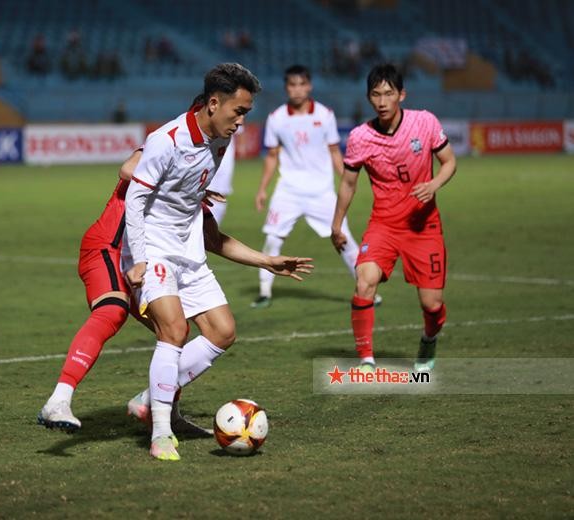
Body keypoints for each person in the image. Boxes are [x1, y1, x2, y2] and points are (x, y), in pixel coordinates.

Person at [38, 149, 311, 432]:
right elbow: (127, 170)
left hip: (148, 260)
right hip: (109, 248)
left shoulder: (194, 185)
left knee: (176, 332)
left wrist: (266, 261)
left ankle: (161, 409)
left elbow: (214, 240)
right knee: (113, 310)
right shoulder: (166, 146)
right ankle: (58, 400)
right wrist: (185, 184)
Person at [123, 63, 263, 461]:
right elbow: (136, 198)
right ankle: (161, 433)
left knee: (223, 331)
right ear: (214, 103)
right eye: (238, 112)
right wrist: (139, 259)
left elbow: (189, 194)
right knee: (174, 328)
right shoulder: (166, 139)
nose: (241, 122)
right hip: (153, 248)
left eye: (246, 114)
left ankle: (151, 398)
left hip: (190, 252)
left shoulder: (220, 139)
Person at [330, 63, 457, 372]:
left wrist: (434, 184)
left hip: (423, 226)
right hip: (383, 225)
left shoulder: (424, 123)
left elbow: (449, 162)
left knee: (432, 305)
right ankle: (367, 361)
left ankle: (429, 338)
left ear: (402, 94)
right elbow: (348, 183)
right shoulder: (360, 137)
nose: (382, 101)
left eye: (388, 94)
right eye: (376, 95)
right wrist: (336, 224)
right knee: (364, 282)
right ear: (369, 97)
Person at [253, 65, 374, 308]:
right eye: (292, 85)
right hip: (288, 190)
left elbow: (334, 151)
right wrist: (263, 188)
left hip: (322, 192)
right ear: (287, 87)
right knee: (273, 239)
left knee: (343, 238)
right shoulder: (277, 118)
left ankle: (367, 290)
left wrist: (346, 178)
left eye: (301, 84)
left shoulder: (324, 115)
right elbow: (272, 156)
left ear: (309, 86)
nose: (297, 89)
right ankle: (265, 292)